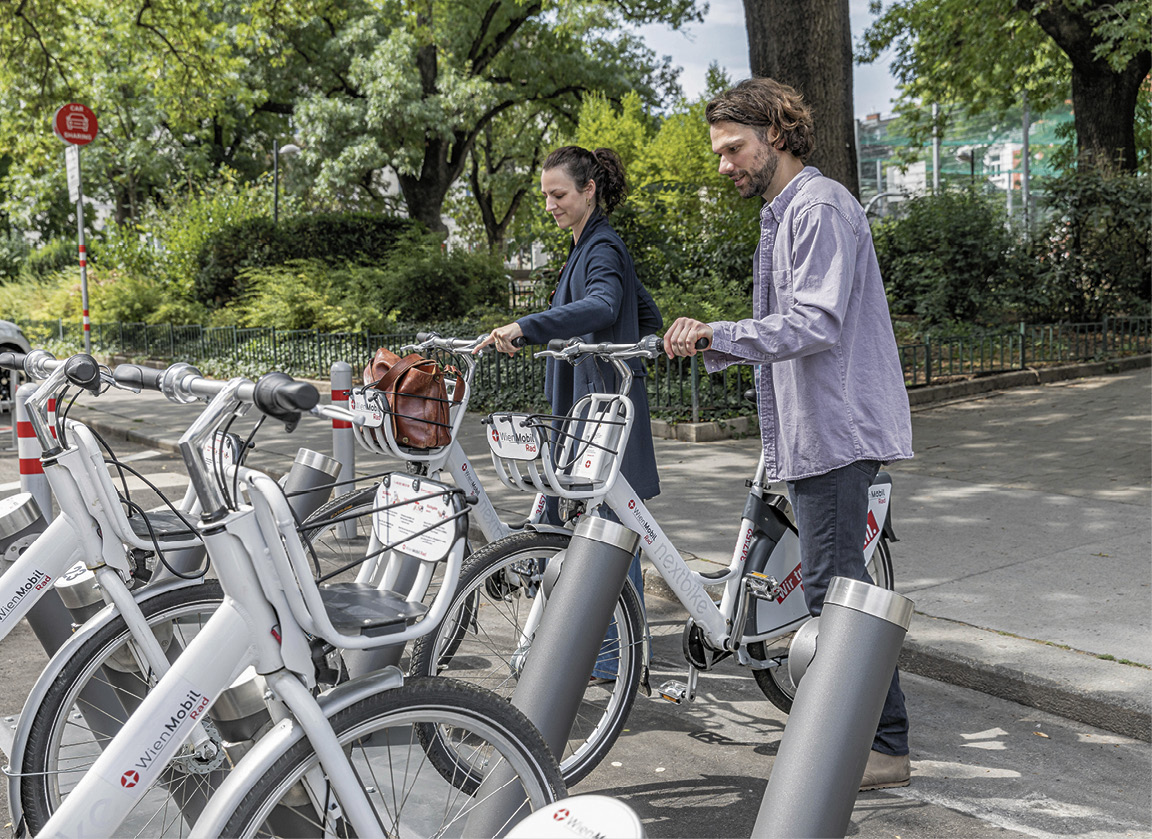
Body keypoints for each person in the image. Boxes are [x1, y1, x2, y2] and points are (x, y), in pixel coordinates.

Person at [662, 77, 915, 790]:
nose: (724, 165)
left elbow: (815, 322)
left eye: (732, 147)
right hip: (814, 431)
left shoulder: (820, 207)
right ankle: (863, 734)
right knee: (837, 589)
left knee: (837, 591)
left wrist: (720, 332)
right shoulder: (783, 214)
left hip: (837, 429)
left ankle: (885, 746)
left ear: (776, 131)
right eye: (719, 152)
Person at [479, 145, 662, 679]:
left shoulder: (601, 247)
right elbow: (642, 311)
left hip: (601, 413)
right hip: (596, 407)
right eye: (545, 196)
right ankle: (617, 655)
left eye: (558, 195)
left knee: (610, 531)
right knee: (609, 528)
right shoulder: (591, 245)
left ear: (589, 190)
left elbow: (607, 304)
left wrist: (529, 326)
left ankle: (613, 660)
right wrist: (624, 351)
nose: (550, 205)